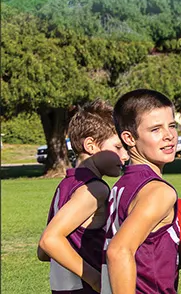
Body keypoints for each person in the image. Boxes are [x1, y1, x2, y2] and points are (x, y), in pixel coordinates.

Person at [101, 89, 181, 294]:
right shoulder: (159, 192)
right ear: (129, 138)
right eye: (156, 129)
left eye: (172, 126)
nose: (169, 136)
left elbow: (143, 259)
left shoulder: (123, 184)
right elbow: (118, 252)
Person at [38, 100, 130, 293]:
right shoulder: (95, 190)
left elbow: (43, 254)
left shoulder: (65, 185)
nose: (125, 156)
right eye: (118, 147)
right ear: (91, 145)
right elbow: (49, 241)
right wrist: (96, 280)